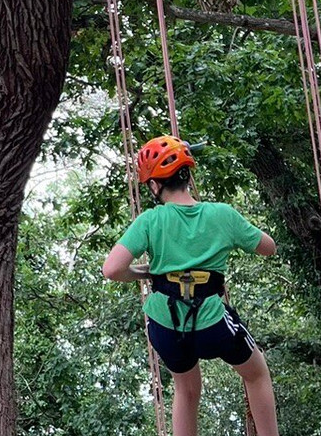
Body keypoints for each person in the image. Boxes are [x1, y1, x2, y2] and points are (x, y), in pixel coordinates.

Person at [102, 136, 280, 436]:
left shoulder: (150, 220)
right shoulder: (222, 215)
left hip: (166, 325)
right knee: (256, 374)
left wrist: (147, 274)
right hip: (211, 321)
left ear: (155, 185)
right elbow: (268, 247)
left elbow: (112, 269)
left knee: (186, 390)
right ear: (188, 175)